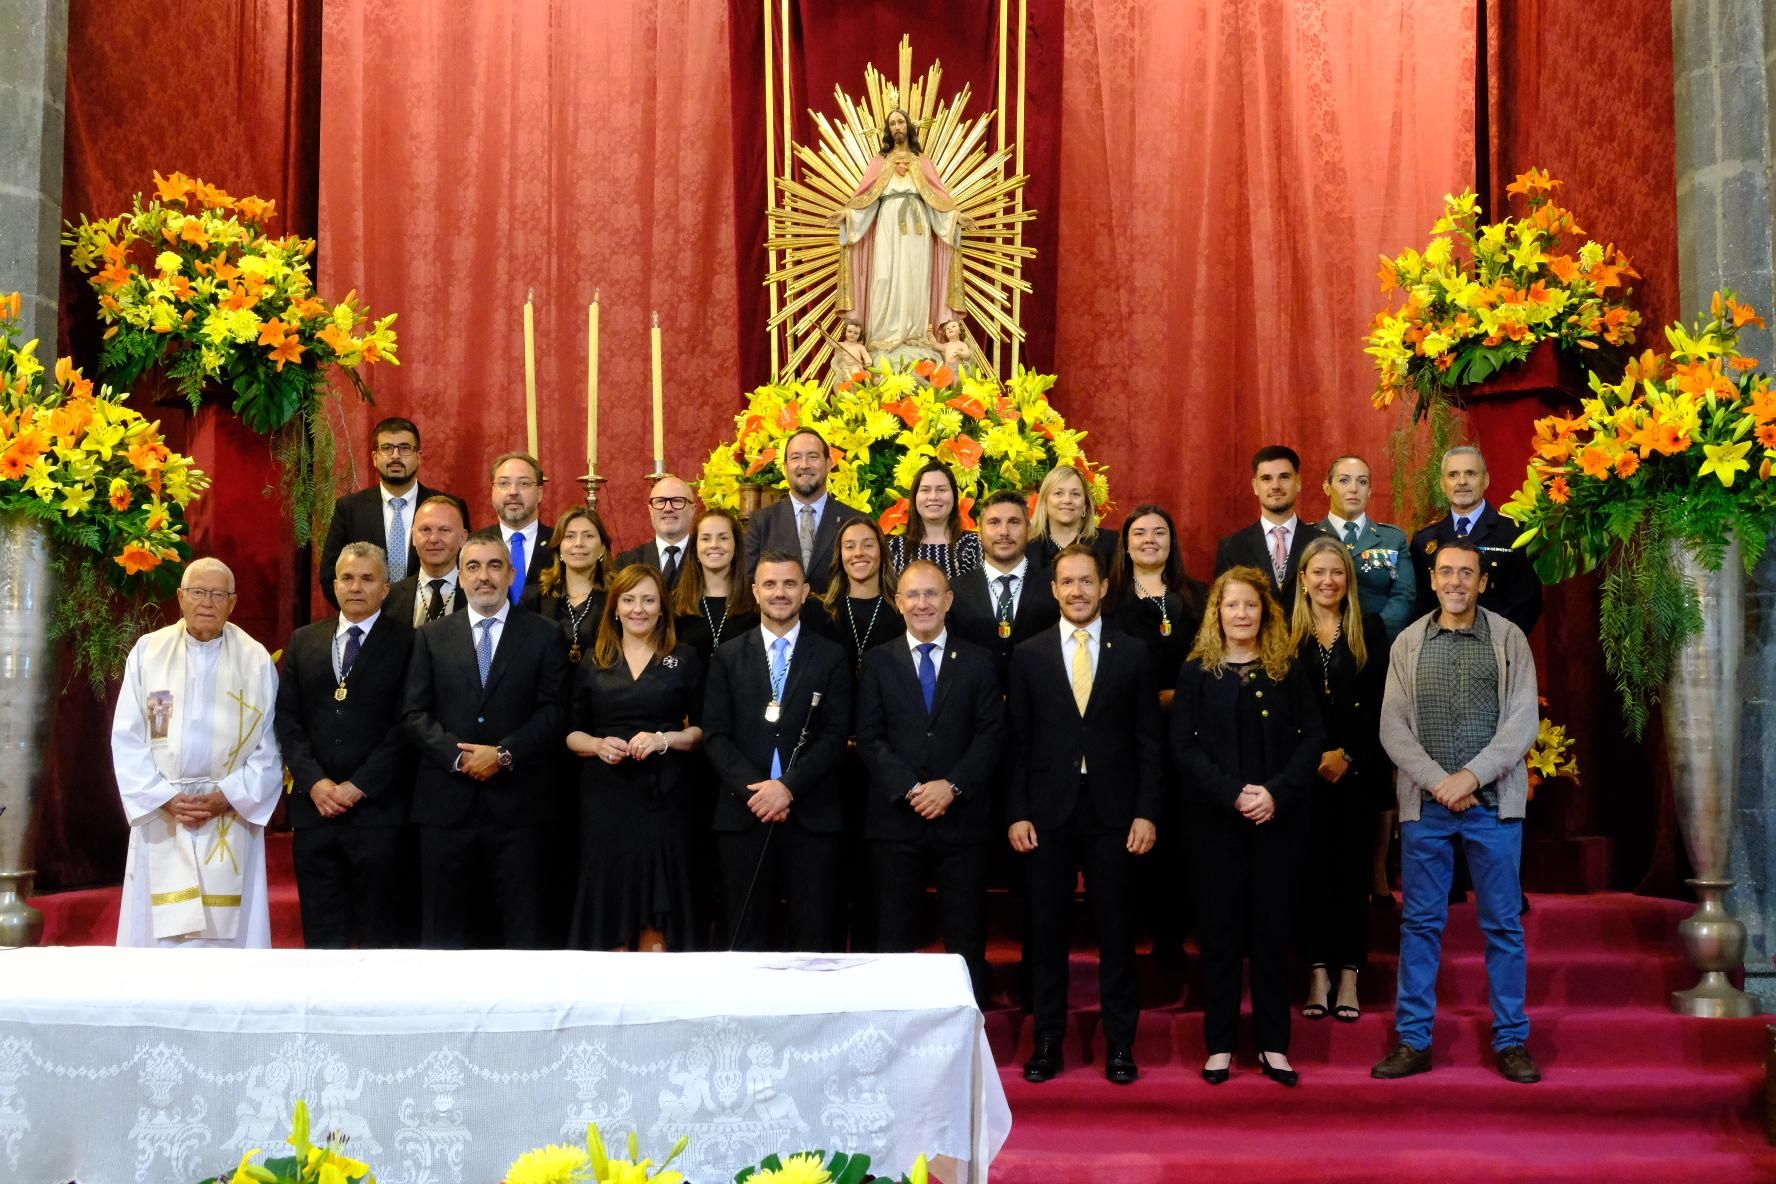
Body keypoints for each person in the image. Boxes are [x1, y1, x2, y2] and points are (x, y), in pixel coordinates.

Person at [1372, 537, 1542, 1085]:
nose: (1455, 582)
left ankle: (1511, 1041)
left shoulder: (1509, 638)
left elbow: (1522, 722)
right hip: (1427, 808)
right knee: (1420, 925)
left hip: (1493, 807)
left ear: (1483, 582)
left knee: (1503, 927)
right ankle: (1414, 1041)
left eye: (1466, 573)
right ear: (1433, 579)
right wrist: (1440, 783)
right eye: (1445, 572)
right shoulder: (1408, 643)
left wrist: (1471, 777)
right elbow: (1392, 728)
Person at [1009, 545, 1163, 1086]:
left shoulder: (1134, 653)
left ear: (1103, 587)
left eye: (1086, 581)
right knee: (1046, 932)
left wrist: (1146, 812)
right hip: (1046, 814)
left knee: (1117, 933)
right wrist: (1017, 812)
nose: (1077, 591)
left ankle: (1120, 1043)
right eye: (1067, 582)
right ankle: (1047, 1041)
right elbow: (1017, 744)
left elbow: (1149, 741)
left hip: (1115, 814)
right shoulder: (1028, 654)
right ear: (1054, 590)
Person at [1172, 566, 1324, 1087]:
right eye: (1231, 605)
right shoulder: (1197, 672)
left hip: (1277, 823)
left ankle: (1273, 1045)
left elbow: (1312, 739)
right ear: (1217, 612)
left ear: (1265, 612)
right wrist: (1232, 793)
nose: (1241, 614)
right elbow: (1182, 747)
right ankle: (1219, 1045)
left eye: (1251, 605)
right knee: (1219, 937)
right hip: (1214, 825)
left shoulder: (1287, 669)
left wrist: (1274, 792)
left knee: (1271, 936)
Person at [401, 528, 569, 948]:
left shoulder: (544, 634)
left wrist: (504, 753)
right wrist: (458, 757)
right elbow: (414, 713)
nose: (484, 576)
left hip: (520, 809)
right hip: (446, 809)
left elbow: (554, 711)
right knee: (444, 937)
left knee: (522, 934)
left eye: (495, 566)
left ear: (511, 574)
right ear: (460, 577)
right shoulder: (431, 637)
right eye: (473, 567)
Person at [112, 558, 282, 947]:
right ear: (180, 597)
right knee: (158, 936)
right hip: (163, 810)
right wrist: (164, 797)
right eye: (198, 592)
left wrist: (229, 796)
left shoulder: (254, 659)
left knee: (226, 936)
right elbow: (127, 737)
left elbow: (270, 746)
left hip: (228, 810)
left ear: (233, 603)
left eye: (218, 594)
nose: (207, 602)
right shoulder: (148, 652)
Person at [855, 561, 1004, 1003]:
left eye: (932, 594)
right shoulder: (877, 661)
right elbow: (869, 737)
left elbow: (992, 734)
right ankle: (894, 1022)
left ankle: (967, 1024)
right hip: (895, 822)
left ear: (949, 600)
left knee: (966, 935)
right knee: (894, 935)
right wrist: (911, 788)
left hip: (962, 821)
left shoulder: (979, 660)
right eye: (913, 595)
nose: (923, 603)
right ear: (898, 603)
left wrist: (951, 786)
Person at [702, 551, 853, 951]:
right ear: (755, 592)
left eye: (789, 584)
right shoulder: (727, 656)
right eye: (770, 584)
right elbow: (715, 735)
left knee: (813, 940)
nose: (779, 593)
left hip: (811, 814)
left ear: (805, 592)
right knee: (746, 940)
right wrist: (758, 791)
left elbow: (835, 736)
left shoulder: (831, 656)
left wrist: (787, 788)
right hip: (744, 814)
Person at [274, 543, 414, 949]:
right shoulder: (304, 640)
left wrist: (359, 786)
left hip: (378, 814)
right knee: (322, 938)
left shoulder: (409, 643)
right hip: (315, 813)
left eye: (367, 579)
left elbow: (407, 726)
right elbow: (288, 720)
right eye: (348, 578)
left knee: (380, 937)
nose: (356, 587)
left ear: (385, 589)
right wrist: (315, 782)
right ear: (334, 585)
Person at [564, 565, 704, 951]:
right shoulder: (593, 659)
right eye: (628, 600)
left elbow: (703, 731)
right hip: (606, 799)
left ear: (662, 608)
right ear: (615, 608)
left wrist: (664, 739)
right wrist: (597, 745)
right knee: (610, 913)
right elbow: (571, 733)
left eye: (648, 600)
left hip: (665, 797)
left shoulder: (685, 658)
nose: (638, 609)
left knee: (657, 922)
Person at [1290, 536, 1390, 1024]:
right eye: (1318, 572)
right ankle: (1317, 974)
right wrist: (1312, 757)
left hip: (1357, 771)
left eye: (1336, 572)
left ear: (1348, 579)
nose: (1327, 581)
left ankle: (1349, 972)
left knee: (1352, 875)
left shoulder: (1369, 628)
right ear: (1303, 579)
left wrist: (1348, 754)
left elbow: (1381, 703)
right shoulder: (1284, 633)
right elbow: (1283, 708)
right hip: (1303, 774)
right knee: (1309, 875)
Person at [1106, 503, 1207, 975]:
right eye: (1140, 533)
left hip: (1192, 734)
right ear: (1125, 545)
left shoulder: (1199, 597)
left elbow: (1213, 660)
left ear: (1172, 542)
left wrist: (1181, 698)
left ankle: (1175, 935)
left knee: (1183, 837)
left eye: (1159, 532)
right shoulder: (1110, 601)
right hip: (1130, 735)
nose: (1150, 540)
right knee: (1137, 831)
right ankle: (1136, 934)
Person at [831, 106, 966, 361]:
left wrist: (955, 217)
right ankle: (884, 334)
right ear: (888, 130)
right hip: (888, 222)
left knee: (915, 275)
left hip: (918, 225)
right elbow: (867, 199)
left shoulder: (921, 161)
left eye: (900, 122)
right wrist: (848, 215)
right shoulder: (880, 162)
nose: (897, 127)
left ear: (908, 126)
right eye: (892, 123)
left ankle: (914, 333)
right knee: (885, 275)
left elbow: (936, 199)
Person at [319, 417, 470, 609]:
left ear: (418, 456)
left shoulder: (449, 507)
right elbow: (331, 574)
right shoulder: (349, 509)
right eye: (387, 448)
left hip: (433, 615)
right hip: (370, 618)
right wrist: (363, 614)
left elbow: (466, 565)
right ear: (375, 457)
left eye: (404, 448)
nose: (395, 456)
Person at [1410, 445, 1542, 635]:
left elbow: (1526, 604)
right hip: (1439, 644)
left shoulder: (1515, 534)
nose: (1462, 482)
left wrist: (1493, 640)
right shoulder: (1424, 540)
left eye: (1470, 474)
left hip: (1497, 644)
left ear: (1485, 480)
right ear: (1443, 484)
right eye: (1453, 475)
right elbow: (1420, 605)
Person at [949, 489, 1060, 687]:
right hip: (975, 701)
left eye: (1014, 522)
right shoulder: (955, 591)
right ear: (979, 530)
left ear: (1028, 528)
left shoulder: (1053, 587)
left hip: (1040, 698)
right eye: (994, 522)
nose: (1004, 532)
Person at [742, 427, 864, 592]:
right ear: (785, 467)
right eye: (796, 457)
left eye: (813, 456)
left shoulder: (855, 522)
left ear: (829, 464)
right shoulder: (762, 523)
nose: (804, 465)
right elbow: (748, 583)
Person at [1215, 444, 1326, 611]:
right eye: (1266, 478)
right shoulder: (1232, 547)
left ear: (1298, 482)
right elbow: (1224, 608)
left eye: (1284, 477)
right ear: (1255, 486)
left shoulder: (1323, 543)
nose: (1276, 486)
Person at [1318, 455, 1416, 640]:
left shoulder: (1392, 539)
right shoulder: (1310, 537)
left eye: (1362, 482)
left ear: (1369, 491)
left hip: (1380, 642)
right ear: (1327, 487)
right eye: (1344, 480)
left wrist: (1374, 634)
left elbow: (1404, 595)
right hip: (1321, 642)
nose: (1354, 489)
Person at [524, 506, 615, 664]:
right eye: (570, 536)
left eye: (588, 536)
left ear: (602, 548)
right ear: (559, 548)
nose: (578, 543)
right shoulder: (533, 599)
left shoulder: (618, 598)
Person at [672, 508, 758, 662]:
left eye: (723, 538)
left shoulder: (756, 600)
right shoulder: (675, 602)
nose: (714, 545)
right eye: (705, 538)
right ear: (695, 548)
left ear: (736, 546)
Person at [822, 516, 905, 671]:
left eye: (868, 545)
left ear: (882, 551)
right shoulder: (821, 612)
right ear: (840, 555)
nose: (858, 553)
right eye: (849, 547)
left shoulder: (902, 611)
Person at [887, 459, 983, 580]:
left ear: (954, 496)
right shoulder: (896, 547)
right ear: (914, 497)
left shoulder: (974, 544)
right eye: (925, 490)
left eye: (941, 490)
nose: (933, 497)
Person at [385, 495, 469, 627]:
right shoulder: (389, 597)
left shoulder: (478, 594)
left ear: (463, 538)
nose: (434, 539)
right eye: (425, 530)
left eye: (444, 530)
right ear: (413, 537)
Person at [490, 451, 553, 603]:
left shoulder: (560, 543)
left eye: (523, 483)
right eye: (504, 483)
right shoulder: (474, 543)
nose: (513, 492)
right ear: (492, 491)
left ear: (539, 493)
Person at [1029, 464, 1117, 572]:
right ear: (1045, 502)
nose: (1067, 500)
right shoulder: (1027, 548)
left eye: (1075, 494)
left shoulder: (1111, 544)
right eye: (1058, 493)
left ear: (1085, 505)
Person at [617, 475, 695, 590]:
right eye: (660, 501)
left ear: (692, 510)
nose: (668, 508)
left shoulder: (705, 560)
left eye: (677, 501)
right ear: (650, 510)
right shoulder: (628, 562)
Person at [829, 318, 872, 387]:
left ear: (860, 335)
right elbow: (832, 343)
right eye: (849, 331)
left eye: (856, 333)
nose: (852, 334)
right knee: (844, 379)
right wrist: (825, 334)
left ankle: (856, 389)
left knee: (855, 371)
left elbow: (866, 356)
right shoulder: (842, 345)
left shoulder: (860, 347)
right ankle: (848, 390)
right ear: (845, 332)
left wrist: (868, 363)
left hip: (857, 368)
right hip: (845, 369)